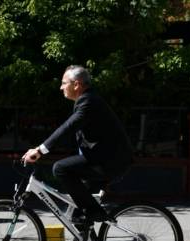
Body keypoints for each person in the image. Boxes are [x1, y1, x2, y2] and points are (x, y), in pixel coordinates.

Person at [22, 65, 133, 230]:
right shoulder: (86, 100)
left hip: (111, 162)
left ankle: (96, 213)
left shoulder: (89, 101)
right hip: (102, 158)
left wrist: (40, 150)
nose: (61, 87)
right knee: (77, 211)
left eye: (64, 83)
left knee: (60, 168)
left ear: (77, 84)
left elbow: (68, 127)